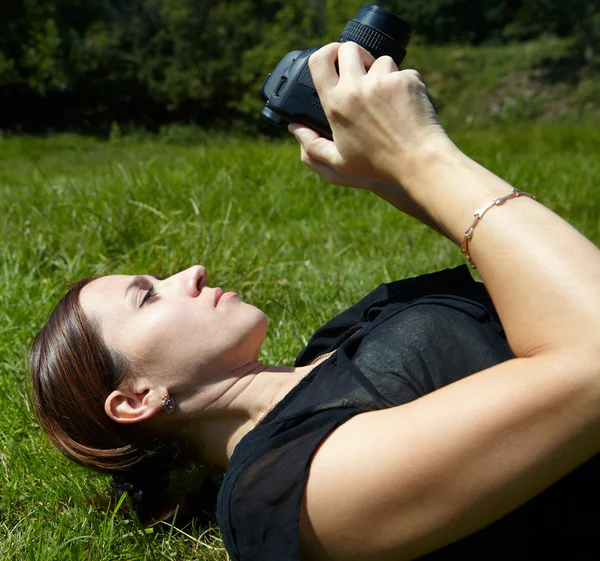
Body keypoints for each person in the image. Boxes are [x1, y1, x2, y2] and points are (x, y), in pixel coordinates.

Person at [30, 42, 600, 561]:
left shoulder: (336, 340)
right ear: (136, 400)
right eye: (148, 297)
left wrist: (389, 176)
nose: (191, 272)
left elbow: (552, 282)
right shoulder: (286, 488)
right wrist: (421, 154)